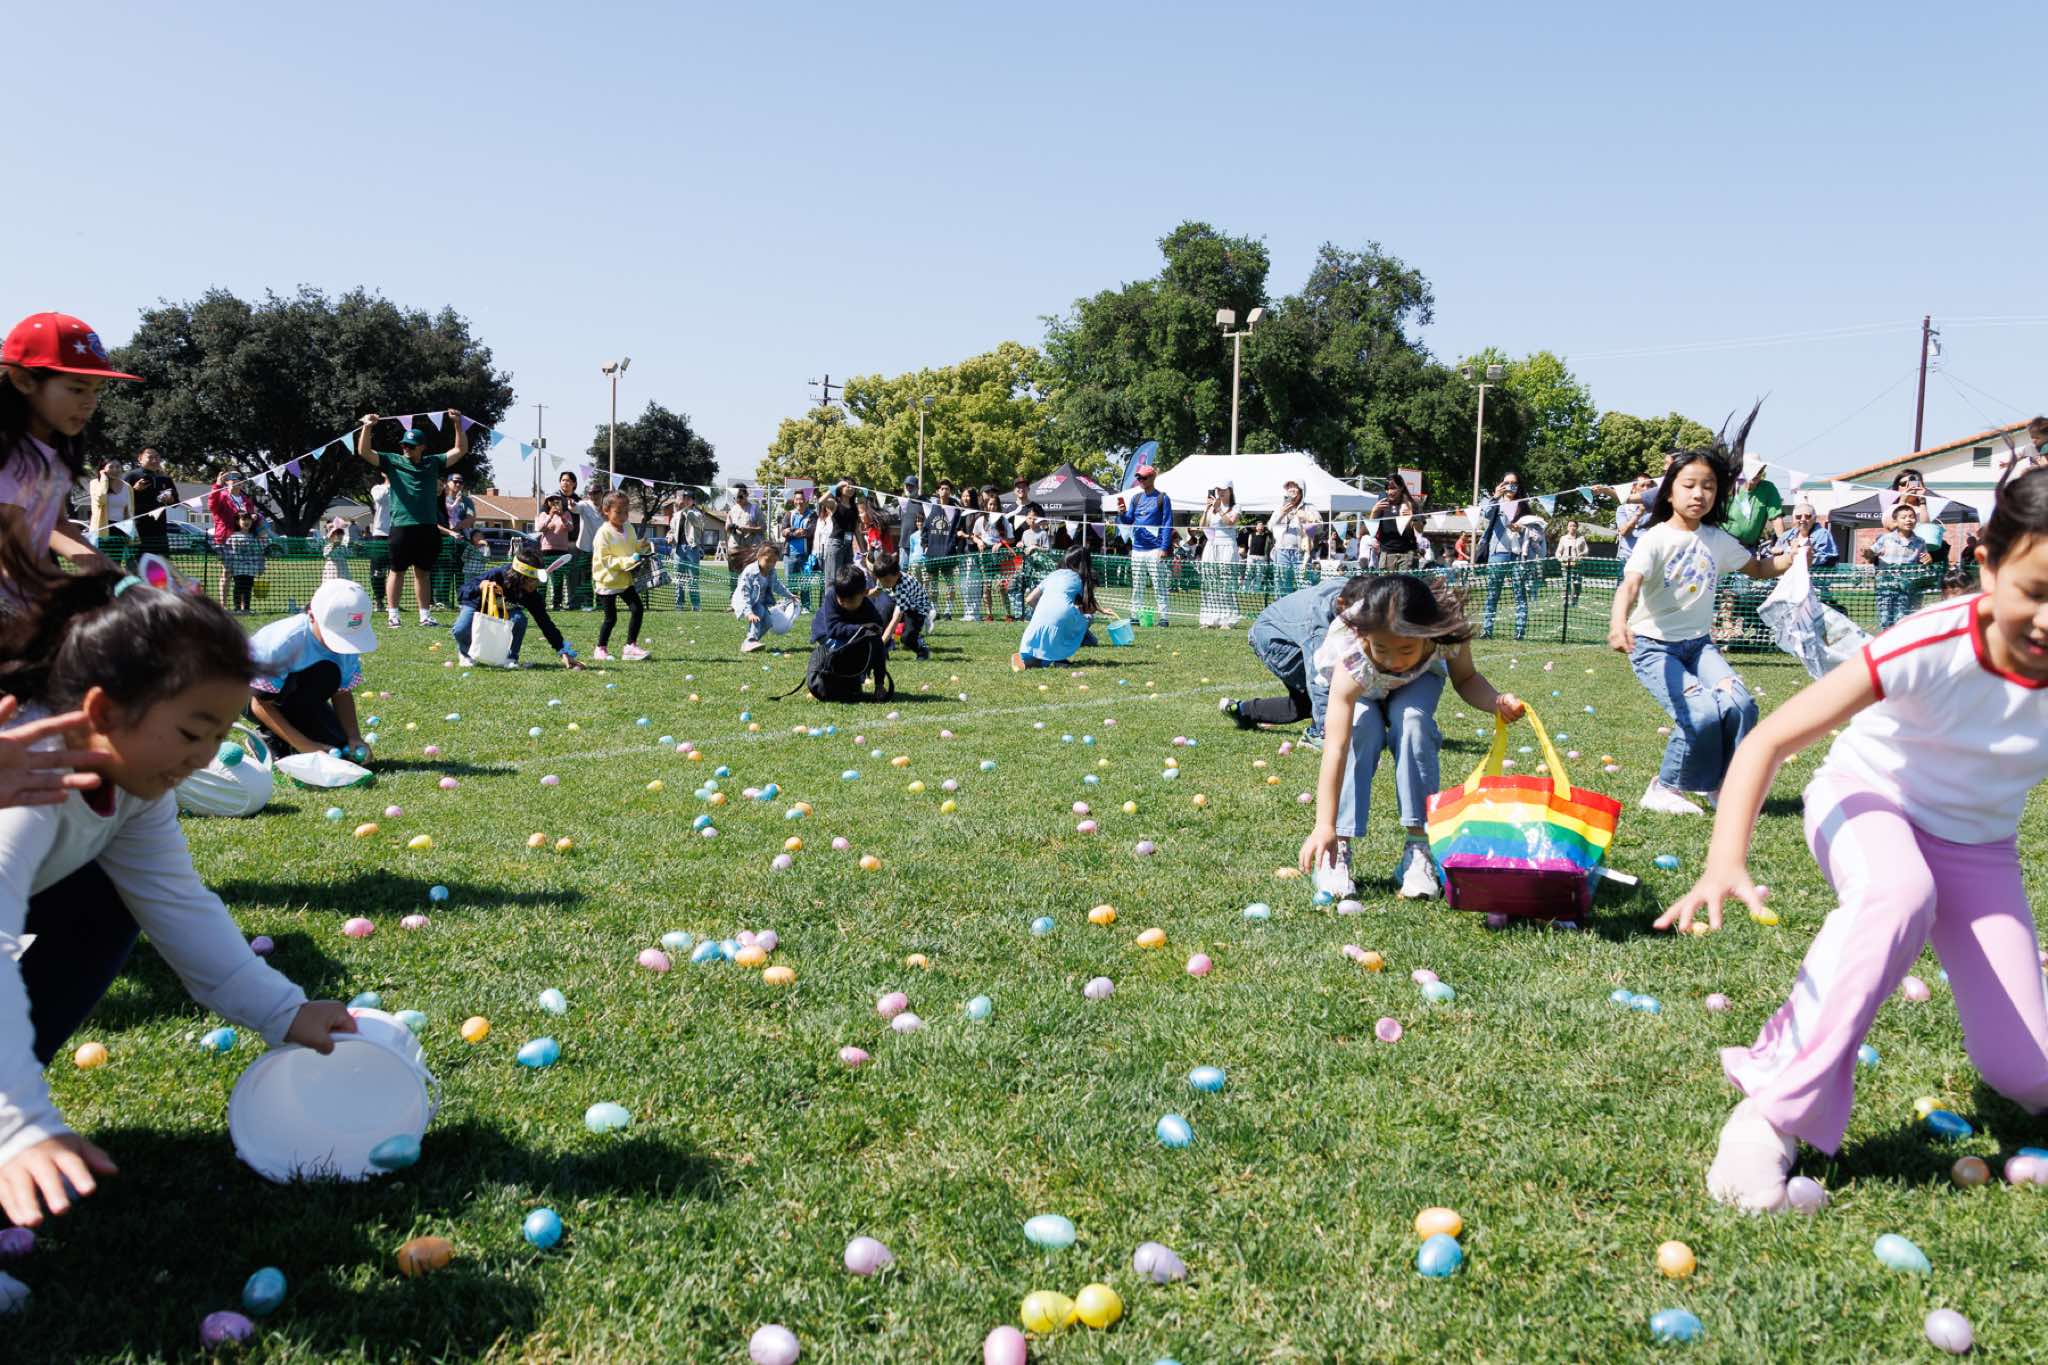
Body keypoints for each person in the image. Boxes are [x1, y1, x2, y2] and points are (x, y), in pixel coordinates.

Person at [1664, 466, 2048, 1214]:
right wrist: (1724, 858)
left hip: (1980, 849)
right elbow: (1769, 739)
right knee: (1898, 894)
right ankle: (1768, 1116)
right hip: (1867, 798)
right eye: (2035, 591)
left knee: (2026, 1072)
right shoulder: (1932, 641)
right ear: (1987, 566)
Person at [0, 569, 356, 1234]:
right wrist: (15, 1120)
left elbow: (178, 905)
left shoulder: (138, 786)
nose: (202, 759)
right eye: (192, 733)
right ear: (104, 712)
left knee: (114, 899)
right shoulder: (29, 781)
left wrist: (284, 1010)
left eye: (217, 737)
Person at [1609, 420, 1803, 816]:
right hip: (1654, 648)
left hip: (1698, 646)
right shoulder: (1654, 539)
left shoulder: (1717, 540)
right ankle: (1663, 788)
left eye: (1709, 487)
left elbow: (1759, 569)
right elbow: (1629, 585)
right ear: (1670, 491)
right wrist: (1618, 623)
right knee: (1699, 714)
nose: (1699, 493)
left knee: (1740, 704)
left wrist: (1792, 558)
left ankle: (1721, 785)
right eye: (1689, 485)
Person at [1298, 574, 1524, 900]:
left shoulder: (1444, 633)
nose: (1393, 661)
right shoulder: (1351, 653)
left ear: (1427, 634)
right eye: (1382, 648)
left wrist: (1496, 701)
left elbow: (1467, 678)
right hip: (1364, 684)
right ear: (1365, 636)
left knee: (1413, 723)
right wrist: (1324, 826)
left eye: (1406, 648)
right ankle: (1337, 850)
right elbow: (1336, 747)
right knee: (1363, 727)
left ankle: (1419, 849)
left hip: (1419, 679)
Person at [2, 313, 138, 586]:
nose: (90, 402)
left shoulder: (56, 453)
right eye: (77, 389)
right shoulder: (8, 459)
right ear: (23, 380)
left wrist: (118, 579)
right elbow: (10, 561)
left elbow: (56, 524)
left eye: (97, 390)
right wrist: (71, 594)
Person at [352, 410, 470, 628]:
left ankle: (425, 616)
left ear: (422, 447)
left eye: (411, 446)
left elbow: (460, 450)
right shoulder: (392, 461)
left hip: (427, 527)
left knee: (423, 573)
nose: (406, 448)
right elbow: (364, 452)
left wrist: (457, 424)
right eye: (404, 445)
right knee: (396, 571)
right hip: (402, 526)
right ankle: (393, 616)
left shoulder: (433, 462)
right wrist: (367, 427)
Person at [246, 579, 378, 758]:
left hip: (296, 694)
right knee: (306, 749)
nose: (340, 646)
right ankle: (267, 738)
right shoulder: (283, 644)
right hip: (247, 693)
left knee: (339, 746)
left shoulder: (348, 645)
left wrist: (354, 737)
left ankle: (293, 730)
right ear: (312, 616)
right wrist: (304, 744)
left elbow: (342, 692)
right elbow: (259, 703)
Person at [1217, 576, 1349, 747]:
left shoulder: (1362, 595)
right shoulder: (1321, 618)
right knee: (1330, 689)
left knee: (1303, 705)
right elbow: (1319, 676)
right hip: (1273, 638)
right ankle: (1316, 734)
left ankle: (1241, 710)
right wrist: (1326, 732)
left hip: (1282, 629)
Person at [454, 543, 584, 670]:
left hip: (505, 610)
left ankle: (510, 658)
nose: (536, 585)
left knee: (519, 619)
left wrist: (563, 651)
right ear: (521, 577)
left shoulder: (531, 595)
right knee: (460, 629)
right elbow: (463, 591)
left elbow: (545, 623)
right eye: (533, 580)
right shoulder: (496, 574)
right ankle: (465, 654)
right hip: (477, 605)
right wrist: (480, 587)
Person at [1012, 545, 1100, 670]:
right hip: (1063, 618)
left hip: (1037, 620)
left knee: (1037, 653)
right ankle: (1058, 659)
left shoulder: (1053, 575)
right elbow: (1089, 609)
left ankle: (1031, 661)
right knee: (1088, 618)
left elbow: (1029, 599)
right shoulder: (1081, 578)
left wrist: (1046, 611)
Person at [591, 492, 650, 662]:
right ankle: (600, 648)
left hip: (625, 579)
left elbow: (632, 548)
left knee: (637, 609)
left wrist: (641, 546)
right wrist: (629, 561)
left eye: (626, 511)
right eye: (618, 512)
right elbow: (606, 560)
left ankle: (630, 646)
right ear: (606, 511)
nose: (623, 516)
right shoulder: (603, 533)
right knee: (611, 618)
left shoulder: (629, 528)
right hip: (607, 581)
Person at [1117, 463, 1173, 625]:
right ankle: (1135, 616)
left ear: (1153, 477)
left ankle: (1163, 618)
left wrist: (1164, 547)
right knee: (1137, 585)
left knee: (1159, 585)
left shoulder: (1163, 498)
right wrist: (1121, 513)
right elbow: (1128, 520)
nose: (1140, 480)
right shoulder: (1136, 498)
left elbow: (1167, 524)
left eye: (1143, 477)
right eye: (1138, 477)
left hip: (1155, 550)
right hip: (1137, 549)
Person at [1865, 500, 1934, 628]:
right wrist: (1867, 552)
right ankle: (1886, 638)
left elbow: (1924, 561)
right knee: (1885, 618)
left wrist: (1928, 560)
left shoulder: (1920, 542)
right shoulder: (1886, 538)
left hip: (1907, 587)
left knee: (1901, 619)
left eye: (1912, 517)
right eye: (1904, 517)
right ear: (1895, 522)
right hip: (1885, 585)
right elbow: (1870, 554)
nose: (1908, 520)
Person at [1474, 472, 1523, 638]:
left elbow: (1533, 530)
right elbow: (1486, 514)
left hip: (1517, 554)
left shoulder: (1523, 504)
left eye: (1514, 483)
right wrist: (1495, 496)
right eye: (1507, 482)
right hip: (1497, 553)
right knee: (1493, 593)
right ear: (1501, 484)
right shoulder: (1496, 503)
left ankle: (1520, 632)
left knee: (1520, 593)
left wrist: (1522, 529)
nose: (1511, 486)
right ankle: (1487, 630)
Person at [205, 469, 262, 604]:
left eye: (239, 480)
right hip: (226, 540)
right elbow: (212, 504)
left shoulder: (246, 500)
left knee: (244, 573)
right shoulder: (221, 496)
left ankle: (242, 607)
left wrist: (255, 516)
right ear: (227, 482)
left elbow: (252, 518)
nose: (236, 482)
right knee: (227, 572)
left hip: (244, 541)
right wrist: (217, 485)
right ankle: (223, 605)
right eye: (232, 480)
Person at [124, 447, 178, 567]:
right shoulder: (131, 476)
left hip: (160, 530)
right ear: (140, 458)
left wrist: (170, 499)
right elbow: (120, 500)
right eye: (150, 457)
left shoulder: (165, 479)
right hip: (137, 529)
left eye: (157, 457)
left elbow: (176, 504)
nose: (154, 460)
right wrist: (134, 490)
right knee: (135, 565)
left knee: (161, 566)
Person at [871, 553, 932, 660]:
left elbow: (896, 619)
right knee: (881, 616)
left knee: (907, 638)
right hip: (900, 602)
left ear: (897, 574)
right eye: (880, 580)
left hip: (917, 609)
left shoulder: (903, 586)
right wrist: (860, 594)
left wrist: (879, 644)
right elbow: (876, 592)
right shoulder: (884, 576)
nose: (883, 584)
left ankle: (922, 650)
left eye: (887, 581)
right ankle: (884, 651)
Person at [737, 543, 794, 653]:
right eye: (768, 560)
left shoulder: (771, 571)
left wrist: (789, 595)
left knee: (768, 622)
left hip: (761, 602)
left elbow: (777, 585)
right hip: (747, 602)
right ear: (759, 556)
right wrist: (749, 613)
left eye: (774, 562)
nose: (771, 564)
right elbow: (744, 594)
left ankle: (751, 642)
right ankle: (751, 640)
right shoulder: (750, 572)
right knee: (758, 612)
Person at [1198, 484, 1241, 629]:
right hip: (1211, 545)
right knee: (1209, 581)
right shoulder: (1212, 508)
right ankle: (1209, 619)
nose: (1220, 492)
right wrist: (1207, 509)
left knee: (1226, 582)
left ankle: (1228, 620)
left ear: (1230, 491)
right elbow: (1202, 526)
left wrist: (1219, 509)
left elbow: (1230, 523)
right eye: (1218, 490)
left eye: (1223, 489)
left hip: (1227, 546)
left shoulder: (1236, 507)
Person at [811, 564, 886, 647]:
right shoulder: (831, 597)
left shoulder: (865, 602)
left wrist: (876, 631)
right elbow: (833, 629)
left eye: (849, 600)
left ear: (863, 593)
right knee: (846, 649)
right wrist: (861, 628)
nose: (842, 602)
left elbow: (877, 623)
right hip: (826, 633)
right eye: (840, 598)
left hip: (850, 634)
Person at [1266, 482, 1317, 595]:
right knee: (1282, 587)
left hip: (1302, 553)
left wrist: (1307, 517)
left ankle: (1304, 606)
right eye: (1289, 487)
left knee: (1305, 586)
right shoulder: (1280, 507)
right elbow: (1270, 526)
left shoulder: (1309, 507)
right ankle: (1282, 606)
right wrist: (1281, 514)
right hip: (1281, 552)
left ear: (1301, 490)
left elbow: (1319, 527)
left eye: (1295, 486)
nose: (1291, 489)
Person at [922, 483, 962, 618]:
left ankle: (948, 611)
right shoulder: (931, 508)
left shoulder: (956, 510)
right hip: (932, 554)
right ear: (938, 491)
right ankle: (935, 610)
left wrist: (954, 545)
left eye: (947, 489)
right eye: (942, 488)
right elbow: (925, 530)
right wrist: (925, 545)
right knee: (933, 585)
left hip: (948, 553)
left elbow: (959, 530)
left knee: (950, 584)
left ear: (950, 492)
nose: (944, 491)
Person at [220, 512, 270, 614]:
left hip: (251, 568)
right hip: (237, 568)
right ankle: (237, 608)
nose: (246, 522)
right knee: (238, 587)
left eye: (249, 519)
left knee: (248, 588)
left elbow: (260, 551)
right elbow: (228, 552)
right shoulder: (233, 536)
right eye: (243, 519)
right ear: (238, 522)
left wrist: (261, 566)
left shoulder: (255, 537)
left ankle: (246, 608)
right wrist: (228, 566)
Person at [668, 489, 709, 611]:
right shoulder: (676, 515)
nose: (685, 500)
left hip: (692, 548)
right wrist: (669, 536)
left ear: (693, 501)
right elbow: (671, 530)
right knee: (679, 578)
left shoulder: (697, 514)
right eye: (684, 498)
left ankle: (696, 605)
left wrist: (687, 511)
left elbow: (698, 524)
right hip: (678, 549)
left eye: (688, 498)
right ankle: (679, 605)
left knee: (693, 578)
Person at [538, 490, 577, 611]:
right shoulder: (543, 514)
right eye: (551, 500)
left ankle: (557, 604)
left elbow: (570, 528)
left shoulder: (566, 514)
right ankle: (540, 603)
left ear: (561, 501)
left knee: (558, 579)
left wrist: (561, 516)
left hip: (561, 551)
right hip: (546, 551)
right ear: (547, 502)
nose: (554, 502)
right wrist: (550, 516)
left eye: (556, 500)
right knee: (543, 578)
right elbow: (539, 528)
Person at [1371, 481, 1422, 572]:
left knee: (1405, 581)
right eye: (1388, 489)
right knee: (1386, 581)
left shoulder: (1411, 504)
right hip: (1386, 554)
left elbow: (1420, 530)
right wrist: (1374, 511)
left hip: (1407, 554)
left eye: (1393, 488)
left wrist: (1413, 518)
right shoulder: (1382, 503)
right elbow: (1371, 529)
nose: (1390, 491)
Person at [1769, 503, 1837, 568]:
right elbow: (1773, 552)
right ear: (1793, 519)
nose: (1803, 519)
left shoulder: (1823, 534)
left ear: (1814, 519)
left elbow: (1823, 558)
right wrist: (1773, 550)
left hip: (1817, 573)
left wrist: (1790, 553)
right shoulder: (1787, 534)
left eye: (1808, 516)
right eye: (1798, 517)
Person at [723, 483, 767, 578]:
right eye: (735, 497)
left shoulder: (755, 509)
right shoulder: (732, 509)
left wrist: (748, 529)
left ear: (746, 494)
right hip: (735, 549)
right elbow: (726, 528)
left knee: (750, 577)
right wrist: (731, 527)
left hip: (751, 550)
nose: (738, 500)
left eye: (740, 497)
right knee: (734, 578)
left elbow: (763, 528)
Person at [85, 458, 128, 551]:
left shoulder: (127, 487)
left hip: (120, 529)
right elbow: (101, 500)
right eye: (111, 467)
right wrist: (104, 480)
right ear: (103, 469)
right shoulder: (95, 483)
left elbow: (129, 511)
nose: (115, 470)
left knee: (116, 559)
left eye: (118, 467)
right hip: (101, 529)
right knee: (101, 559)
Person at [782, 488, 814, 608]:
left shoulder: (813, 515)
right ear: (794, 500)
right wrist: (796, 532)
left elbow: (811, 531)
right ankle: (791, 605)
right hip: (789, 554)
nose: (799, 502)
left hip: (806, 554)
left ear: (806, 501)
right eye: (797, 499)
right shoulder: (789, 514)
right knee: (791, 583)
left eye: (802, 499)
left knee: (806, 582)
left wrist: (791, 531)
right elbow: (783, 531)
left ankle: (806, 606)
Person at [365, 469, 392, 610]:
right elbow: (380, 499)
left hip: (397, 532)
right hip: (380, 534)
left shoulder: (403, 488)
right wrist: (390, 484)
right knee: (378, 571)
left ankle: (393, 602)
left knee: (396, 570)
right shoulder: (377, 488)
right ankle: (379, 600)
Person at [1555, 519, 1589, 608]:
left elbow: (1586, 550)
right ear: (1567, 527)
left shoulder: (1581, 538)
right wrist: (1560, 558)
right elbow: (1558, 552)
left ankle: (1575, 602)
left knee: (1577, 584)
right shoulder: (1563, 538)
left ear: (1577, 527)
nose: (1572, 527)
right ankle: (1565, 601)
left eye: (1574, 526)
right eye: (1570, 526)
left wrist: (1581, 554)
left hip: (1578, 565)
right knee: (1566, 583)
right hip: (1565, 565)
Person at [1243, 519, 1274, 604]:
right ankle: (1245, 589)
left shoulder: (1267, 536)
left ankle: (1255, 590)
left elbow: (1270, 544)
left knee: (1259, 574)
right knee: (1249, 572)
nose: (1260, 527)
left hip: (1261, 557)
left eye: (1262, 526)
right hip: (1251, 557)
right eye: (1259, 525)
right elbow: (1249, 545)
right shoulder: (1251, 535)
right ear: (1256, 527)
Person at [321, 518, 353, 583]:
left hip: (343, 569)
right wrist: (334, 546)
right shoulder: (328, 546)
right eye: (337, 535)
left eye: (341, 535)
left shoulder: (343, 547)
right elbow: (326, 555)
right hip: (331, 569)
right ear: (331, 536)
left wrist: (353, 546)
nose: (339, 537)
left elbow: (350, 554)